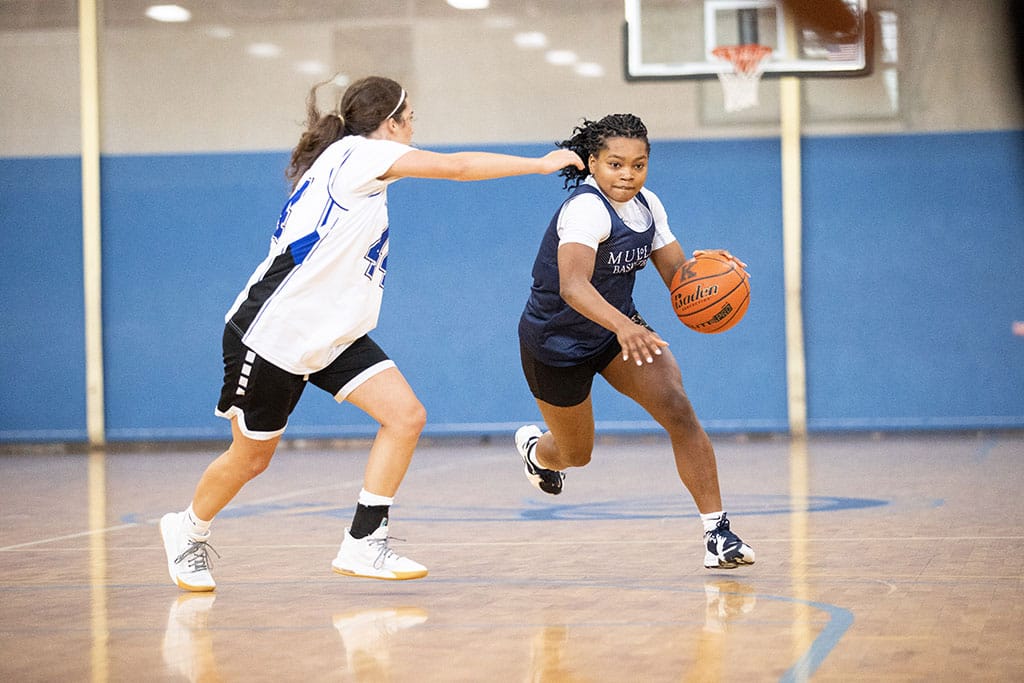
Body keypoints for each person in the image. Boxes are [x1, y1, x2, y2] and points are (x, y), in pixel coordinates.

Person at [160, 75, 584, 591]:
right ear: (390, 124)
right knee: (252, 458)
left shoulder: (349, 161)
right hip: (274, 332)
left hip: (333, 334)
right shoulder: (358, 154)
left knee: (405, 416)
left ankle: (364, 543)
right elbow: (456, 167)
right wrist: (539, 163)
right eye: (411, 120)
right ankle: (187, 531)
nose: (414, 129)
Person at [514, 113, 755, 570]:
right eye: (615, 164)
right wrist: (624, 326)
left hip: (617, 331)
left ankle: (717, 533)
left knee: (679, 410)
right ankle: (536, 452)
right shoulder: (584, 209)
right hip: (555, 342)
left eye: (638, 165)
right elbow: (573, 285)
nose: (627, 175)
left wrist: (707, 273)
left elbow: (677, 279)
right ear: (592, 164)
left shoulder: (648, 207)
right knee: (574, 454)